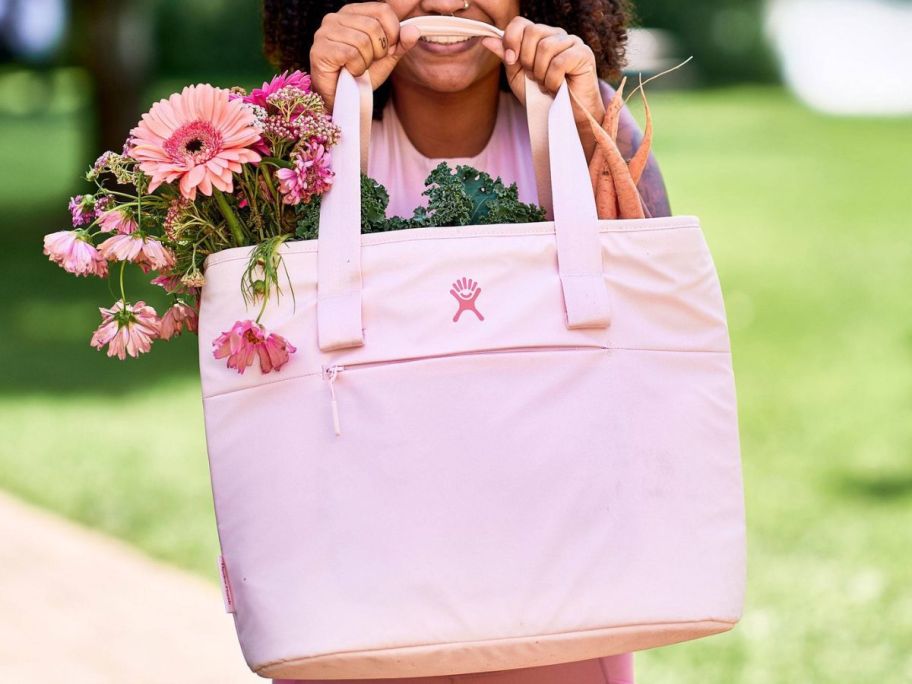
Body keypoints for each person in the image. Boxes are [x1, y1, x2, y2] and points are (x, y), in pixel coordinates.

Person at [262, 2, 672, 682]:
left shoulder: (584, 112)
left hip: (559, 612)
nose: (448, 3)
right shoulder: (299, 121)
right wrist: (324, 123)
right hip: (350, 608)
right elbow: (262, 349)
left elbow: (651, 323)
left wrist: (581, 129)